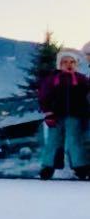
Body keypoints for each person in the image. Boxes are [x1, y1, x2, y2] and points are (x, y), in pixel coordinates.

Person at [38, 49, 89, 180]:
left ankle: (81, 167)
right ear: (59, 64)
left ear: (76, 64)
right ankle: (48, 166)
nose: (69, 65)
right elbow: (44, 96)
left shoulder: (81, 79)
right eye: (65, 62)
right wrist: (48, 112)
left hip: (75, 115)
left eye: (72, 62)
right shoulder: (53, 79)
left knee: (75, 140)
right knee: (53, 141)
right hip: (56, 115)